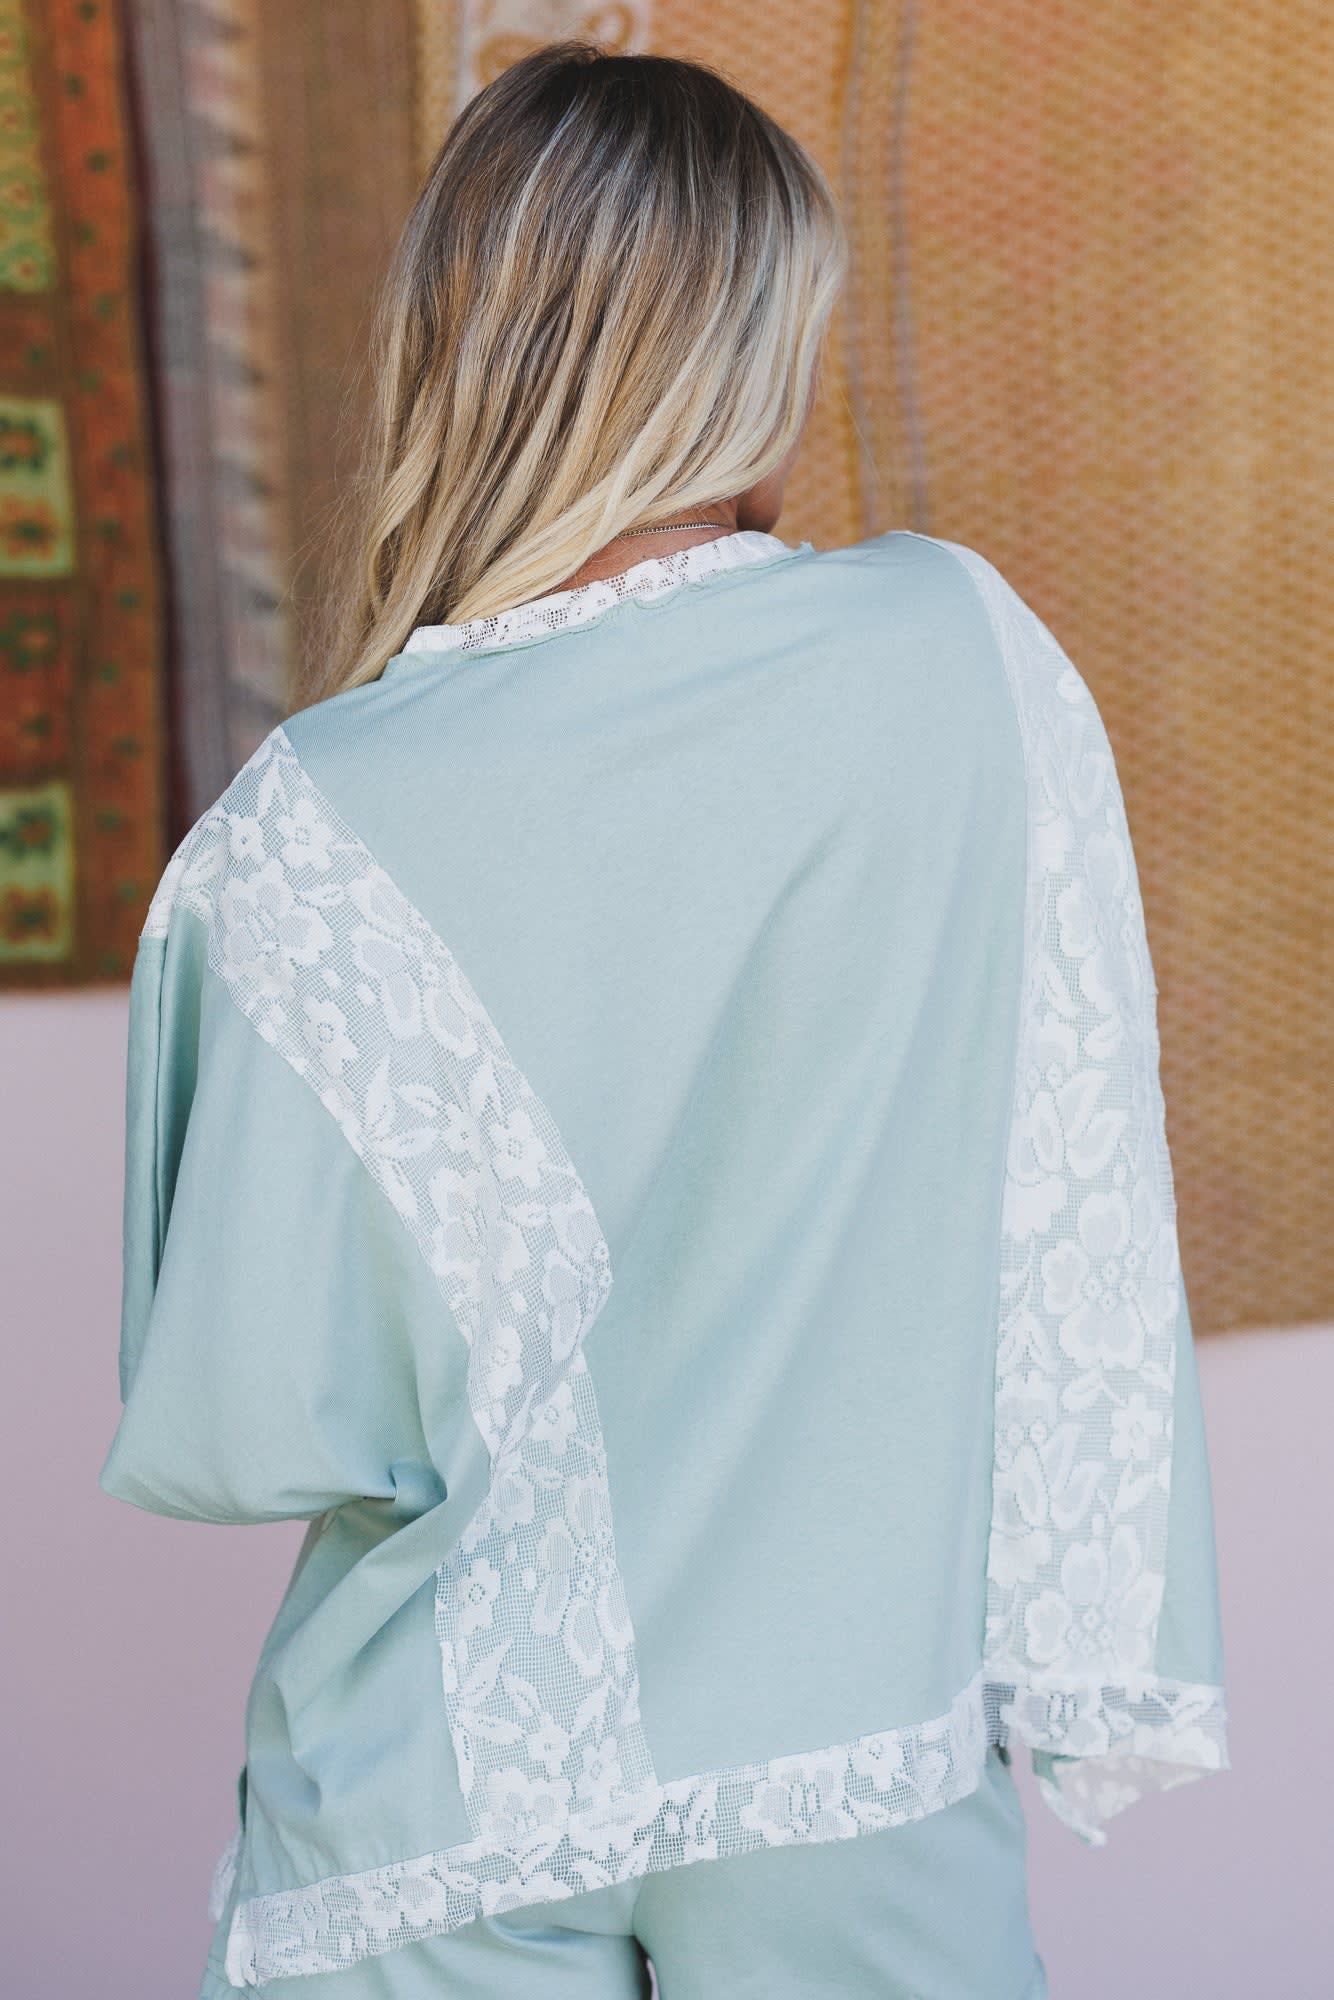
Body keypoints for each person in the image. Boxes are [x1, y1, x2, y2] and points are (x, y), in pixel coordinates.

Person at [99, 40, 1228, 2000]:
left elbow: (243, 1423)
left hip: (430, 1804)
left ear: (459, 348)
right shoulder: (954, 657)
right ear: (746, 356)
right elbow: (1068, 1186)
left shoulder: (304, 823)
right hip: (849, 1780)